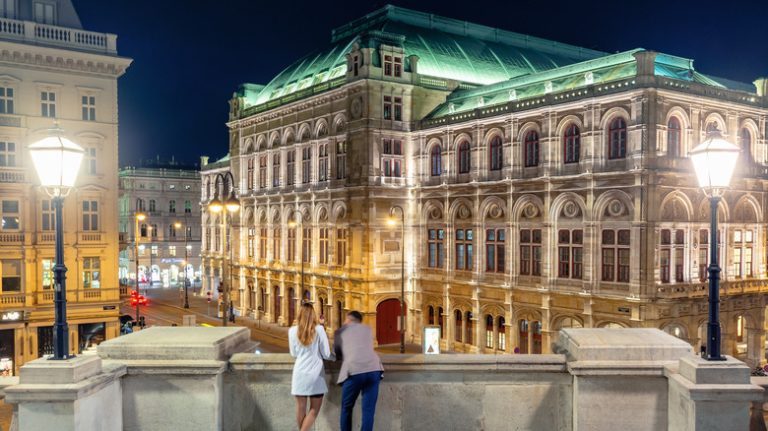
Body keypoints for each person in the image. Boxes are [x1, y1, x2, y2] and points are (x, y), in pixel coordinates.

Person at [334, 310, 384, 431]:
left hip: (354, 370)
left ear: (349, 319)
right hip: (374, 369)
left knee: (346, 407)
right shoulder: (367, 329)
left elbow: (338, 353)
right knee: (368, 411)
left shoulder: (341, 331)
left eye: (346, 319)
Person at [289, 303, 332, 431]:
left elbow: (293, 353)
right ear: (313, 315)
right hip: (315, 375)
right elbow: (326, 354)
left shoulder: (292, 331)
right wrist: (322, 327)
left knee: (300, 408)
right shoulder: (319, 330)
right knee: (314, 410)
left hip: (299, 373)